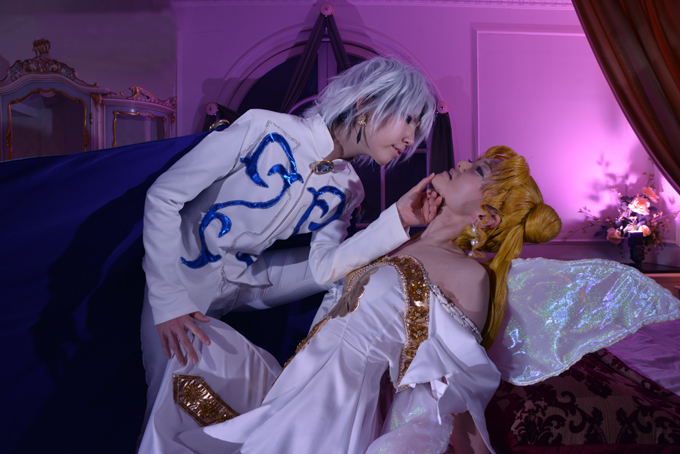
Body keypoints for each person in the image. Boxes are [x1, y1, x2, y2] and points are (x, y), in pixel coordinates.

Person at [138, 145, 563, 453]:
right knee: (194, 344)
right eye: (475, 160)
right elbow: (328, 270)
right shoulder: (403, 241)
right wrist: (390, 214)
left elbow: (454, 391)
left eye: (479, 170)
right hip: (295, 383)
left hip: (332, 410)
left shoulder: (469, 276)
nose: (465, 163)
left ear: (486, 216)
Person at [140, 56, 439, 428]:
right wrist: (167, 300)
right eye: (408, 119)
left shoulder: (349, 188)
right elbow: (164, 197)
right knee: (166, 416)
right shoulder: (262, 127)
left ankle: (311, 381)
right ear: (366, 103)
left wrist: (399, 219)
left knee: (350, 274)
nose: (411, 138)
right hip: (182, 281)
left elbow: (325, 268)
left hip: (245, 284)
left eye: (417, 127)